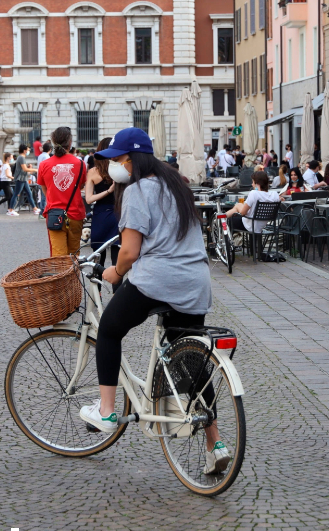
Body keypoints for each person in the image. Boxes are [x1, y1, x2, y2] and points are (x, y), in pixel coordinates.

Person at [80, 127, 231, 476]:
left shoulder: (136, 190)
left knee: (109, 329)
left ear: (132, 160)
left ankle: (105, 411)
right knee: (191, 364)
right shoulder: (176, 185)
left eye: (118, 159)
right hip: (195, 283)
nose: (114, 166)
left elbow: (129, 252)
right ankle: (216, 443)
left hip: (158, 281)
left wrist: (114, 273)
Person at [37, 127, 87, 256]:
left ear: (53, 142)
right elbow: (80, 186)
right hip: (75, 213)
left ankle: (61, 277)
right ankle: (73, 276)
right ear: (70, 142)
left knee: (58, 257)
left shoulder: (44, 164)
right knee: (74, 254)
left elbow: (45, 189)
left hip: (55, 214)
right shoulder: (80, 164)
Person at [85, 137, 120, 268]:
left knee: (99, 258)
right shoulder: (120, 169)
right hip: (118, 213)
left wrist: (107, 191)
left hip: (101, 215)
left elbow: (89, 199)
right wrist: (111, 190)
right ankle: (116, 289)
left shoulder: (93, 172)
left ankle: (98, 289)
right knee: (117, 260)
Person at [224, 170, 280, 235]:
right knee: (238, 207)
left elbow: (243, 213)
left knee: (231, 219)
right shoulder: (275, 195)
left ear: (257, 183)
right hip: (262, 225)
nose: (252, 184)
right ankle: (223, 217)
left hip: (251, 225)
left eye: (253, 182)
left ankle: (222, 219)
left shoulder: (254, 193)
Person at [10, 144, 39, 216]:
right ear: (24, 150)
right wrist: (35, 170)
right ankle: (11, 209)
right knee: (16, 194)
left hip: (23, 178)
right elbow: (25, 169)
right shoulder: (21, 158)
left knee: (29, 193)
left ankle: (35, 208)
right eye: (28, 150)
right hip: (21, 178)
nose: (29, 151)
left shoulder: (21, 157)